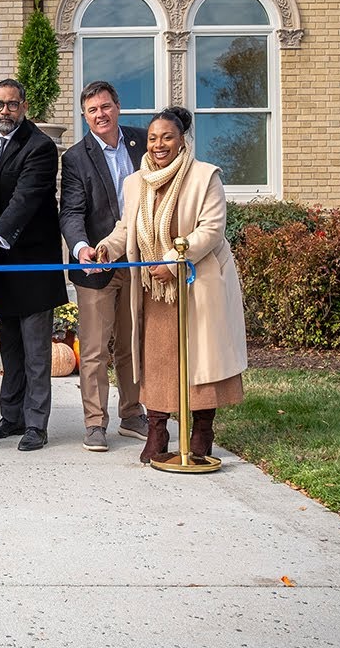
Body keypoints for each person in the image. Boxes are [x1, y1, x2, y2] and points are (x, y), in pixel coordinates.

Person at [91, 106, 246, 463]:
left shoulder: (205, 176)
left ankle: (202, 430)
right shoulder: (136, 182)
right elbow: (126, 228)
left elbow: (211, 230)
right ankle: (158, 431)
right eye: (152, 138)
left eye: (167, 138)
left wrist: (174, 263)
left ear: (181, 141)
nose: (158, 145)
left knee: (201, 360)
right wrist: (107, 248)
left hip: (198, 284)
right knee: (158, 360)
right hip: (155, 291)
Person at [0, 78, 67, 452]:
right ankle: (11, 417)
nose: (5, 111)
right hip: (0, 265)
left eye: (12, 104)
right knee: (9, 347)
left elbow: (23, 201)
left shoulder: (40, 146)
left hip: (33, 263)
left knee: (37, 353)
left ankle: (36, 424)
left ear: (24, 107)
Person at [59, 81, 148, 452]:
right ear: (85, 116)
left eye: (106, 106)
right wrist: (81, 248)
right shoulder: (76, 158)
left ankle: (133, 414)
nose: (101, 114)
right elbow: (71, 211)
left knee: (131, 344)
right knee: (95, 350)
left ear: (118, 106)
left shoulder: (142, 143)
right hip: (95, 266)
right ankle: (95, 423)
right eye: (92, 110)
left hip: (139, 261)